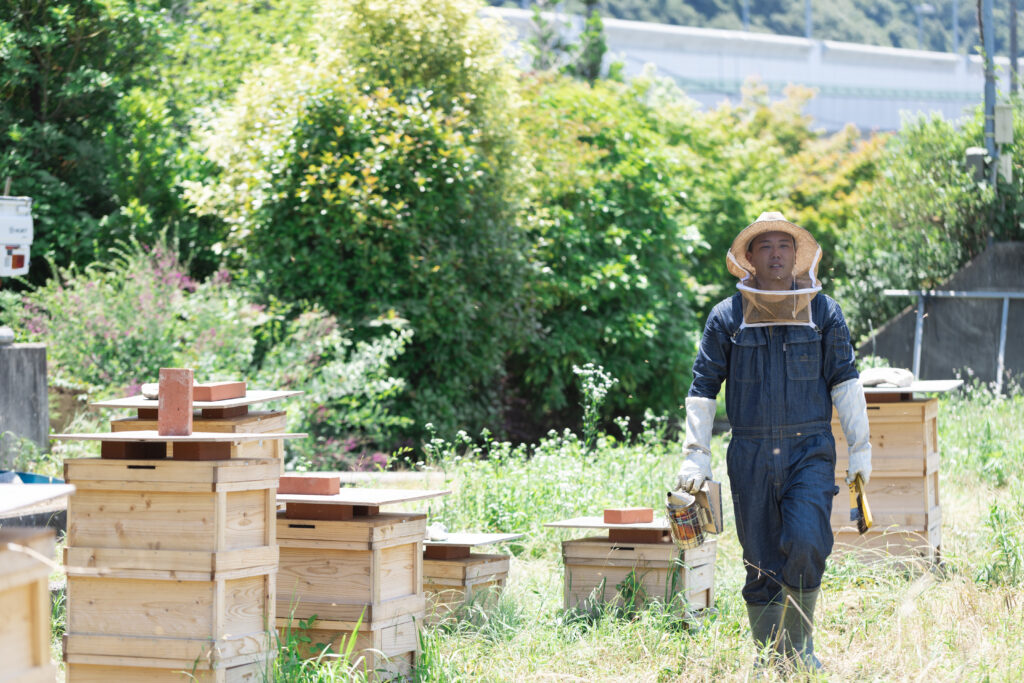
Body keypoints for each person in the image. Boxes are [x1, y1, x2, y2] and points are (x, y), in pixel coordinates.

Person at [675, 211, 871, 670]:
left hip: (810, 450)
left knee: (806, 540)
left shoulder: (823, 311)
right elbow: (703, 387)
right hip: (751, 453)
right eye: (766, 246)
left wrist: (860, 450)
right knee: (760, 560)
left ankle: (799, 649)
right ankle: (769, 657)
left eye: (784, 245)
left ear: (797, 254)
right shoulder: (727, 316)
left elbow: (845, 380)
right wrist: (695, 459)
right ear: (749, 258)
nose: (776, 254)